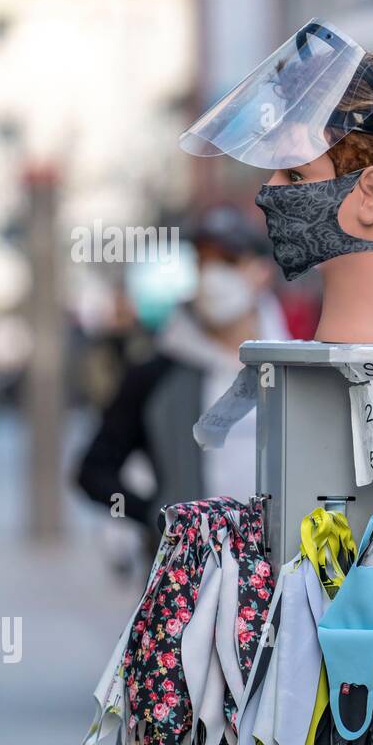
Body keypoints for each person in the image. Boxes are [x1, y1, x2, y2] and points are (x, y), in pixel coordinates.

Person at [76, 206, 288, 555]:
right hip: (188, 593)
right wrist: (159, 519)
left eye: (228, 262)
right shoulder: (158, 370)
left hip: (282, 585)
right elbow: (94, 471)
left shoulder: (298, 366)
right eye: (202, 263)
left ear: (261, 272)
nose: (212, 277)